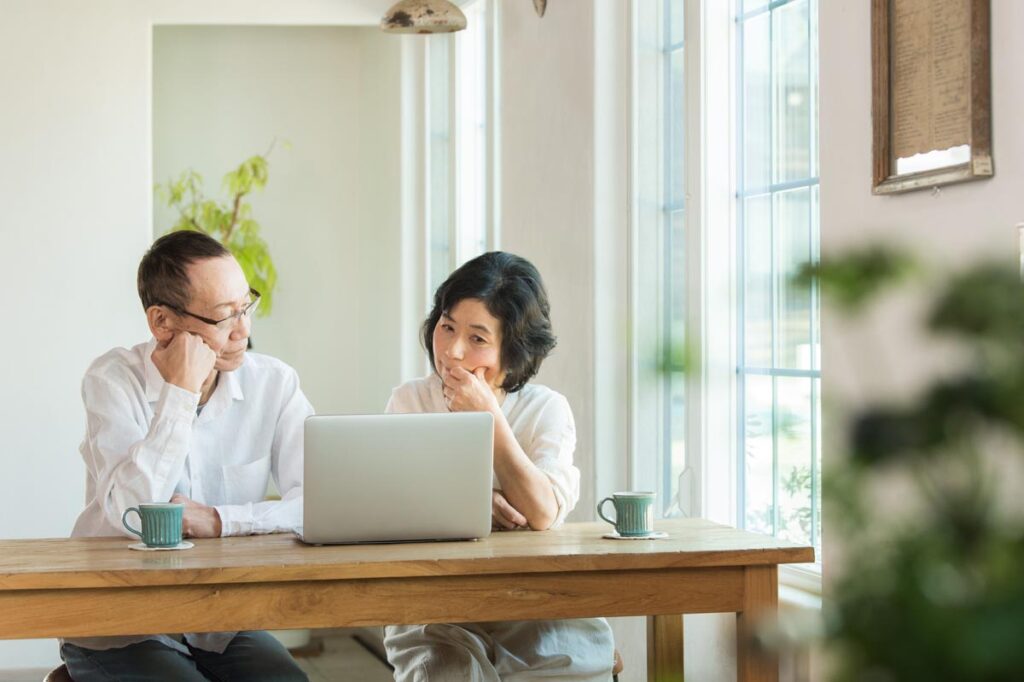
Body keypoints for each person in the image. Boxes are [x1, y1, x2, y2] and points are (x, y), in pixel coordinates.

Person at [61, 231, 311, 681]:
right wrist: (179, 392)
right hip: (115, 621)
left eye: (244, 307)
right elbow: (130, 513)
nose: (243, 330)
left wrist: (220, 520)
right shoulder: (113, 380)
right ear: (162, 323)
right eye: (223, 317)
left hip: (215, 620)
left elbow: (319, 500)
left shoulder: (274, 384)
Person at [383, 251, 615, 681]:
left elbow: (543, 513)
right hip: (436, 606)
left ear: (513, 350)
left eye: (477, 338)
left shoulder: (547, 409)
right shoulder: (410, 400)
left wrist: (490, 416)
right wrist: (474, 501)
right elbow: (396, 506)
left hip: (535, 601)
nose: (452, 351)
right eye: (447, 326)